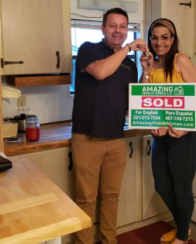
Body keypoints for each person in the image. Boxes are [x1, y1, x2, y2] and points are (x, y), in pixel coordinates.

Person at [71, 8, 148, 244]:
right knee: (86, 199)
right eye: (113, 25)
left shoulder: (128, 64)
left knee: (111, 197)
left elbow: (135, 100)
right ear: (102, 28)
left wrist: (146, 71)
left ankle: (109, 241)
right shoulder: (88, 49)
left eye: (123, 26)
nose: (118, 31)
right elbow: (102, 72)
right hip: (88, 139)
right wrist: (128, 48)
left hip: (116, 139)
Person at [140, 18, 196, 244]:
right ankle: (184, 229)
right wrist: (146, 71)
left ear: (173, 39)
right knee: (162, 186)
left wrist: (186, 127)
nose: (159, 42)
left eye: (165, 37)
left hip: (185, 135)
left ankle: (181, 237)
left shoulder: (181, 60)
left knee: (181, 189)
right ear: (150, 39)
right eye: (155, 37)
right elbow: (144, 98)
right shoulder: (152, 63)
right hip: (161, 135)